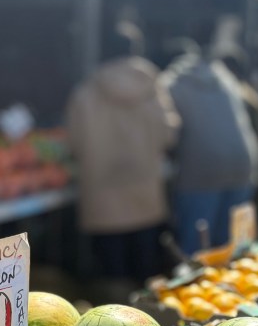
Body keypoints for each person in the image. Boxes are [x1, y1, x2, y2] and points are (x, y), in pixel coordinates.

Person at [66, 25, 179, 285]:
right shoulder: (153, 88)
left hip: (102, 195)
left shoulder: (86, 91)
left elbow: (74, 143)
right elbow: (169, 134)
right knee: (147, 276)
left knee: (112, 280)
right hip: (144, 192)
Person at [161, 44, 258, 253]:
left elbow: (166, 133)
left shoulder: (170, 84)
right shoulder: (223, 76)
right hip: (244, 164)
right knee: (235, 248)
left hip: (201, 170)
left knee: (198, 250)